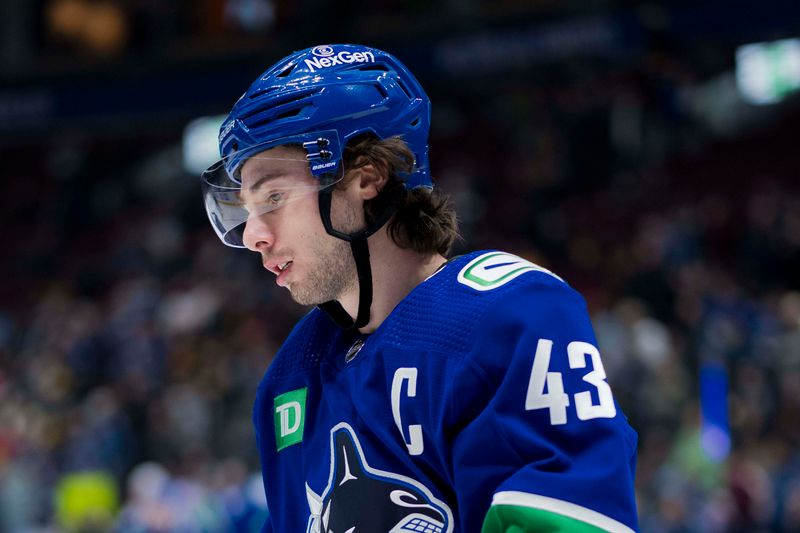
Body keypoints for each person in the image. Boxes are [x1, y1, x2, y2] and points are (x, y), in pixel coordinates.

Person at [200, 44, 639, 533]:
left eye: (274, 197)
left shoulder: (507, 314)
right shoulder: (290, 376)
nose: (253, 234)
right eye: (245, 208)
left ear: (366, 177)